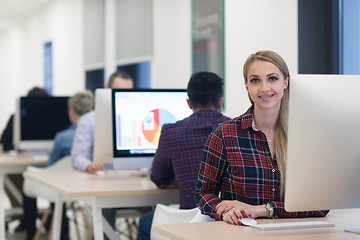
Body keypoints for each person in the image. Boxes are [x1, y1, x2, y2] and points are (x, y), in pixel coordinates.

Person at [195, 50, 329, 226]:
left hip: (295, 234)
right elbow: (203, 194)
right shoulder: (225, 134)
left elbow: (321, 204)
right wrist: (226, 211)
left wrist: (260, 209)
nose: (264, 88)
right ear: (247, 86)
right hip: (240, 233)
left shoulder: (306, 135)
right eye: (255, 80)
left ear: (286, 82)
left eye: (272, 78)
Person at [137, 72, 230, 240]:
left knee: (145, 222)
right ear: (221, 101)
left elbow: (159, 178)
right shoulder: (236, 131)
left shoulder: (171, 132)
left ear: (188, 103)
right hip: (229, 221)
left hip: (191, 224)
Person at [71, 71, 136, 240]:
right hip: (104, 184)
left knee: (157, 210)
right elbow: (78, 156)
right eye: (118, 91)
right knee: (105, 209)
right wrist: (88, 165)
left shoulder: (136, 117)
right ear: (107, 90)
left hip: (134, 181)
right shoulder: (89, 120)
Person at [24, 90, 94, 240]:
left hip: (62, 189)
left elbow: (51, 167)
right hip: (87, 186)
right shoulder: (95, 134)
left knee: (31, 179)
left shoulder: (62, 138)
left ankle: (31, 233)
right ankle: (65, 232)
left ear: (71, 110)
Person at [0, 87, 49, 233]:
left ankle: (44, 220)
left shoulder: (49, 119)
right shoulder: (17, 118)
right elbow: (4, 141)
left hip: (44, 167)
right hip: (19, 168)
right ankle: (27, 222)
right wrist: (17, 146)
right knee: (23, 184)